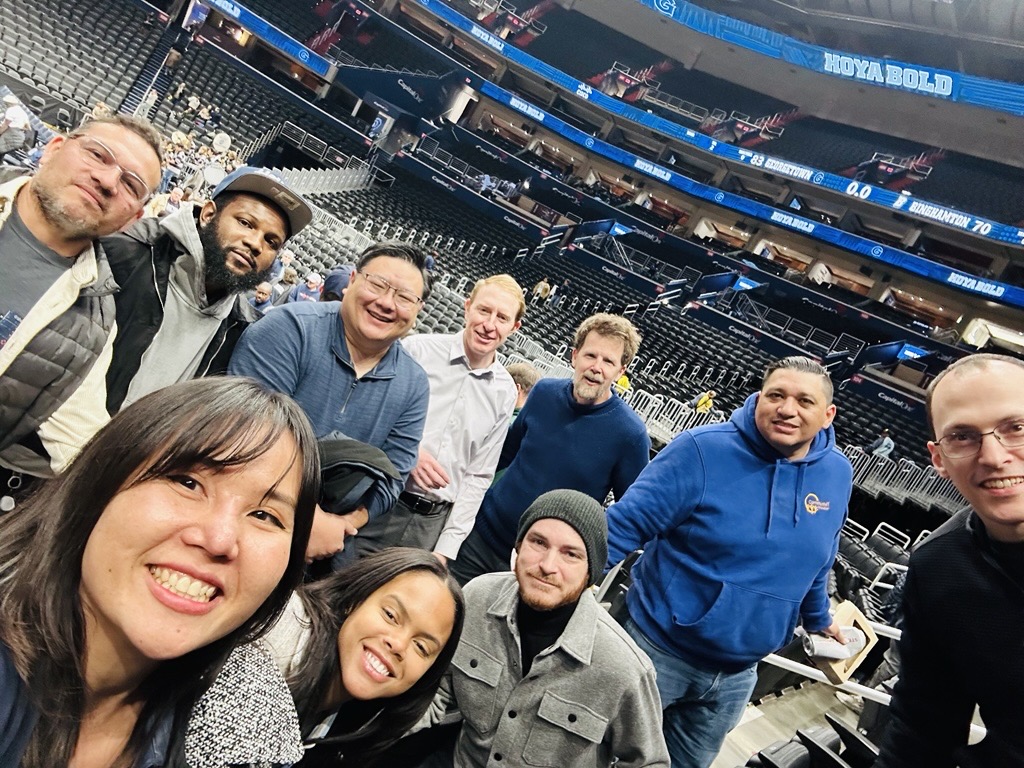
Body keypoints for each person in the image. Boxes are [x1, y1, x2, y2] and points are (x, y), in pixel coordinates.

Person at [0, 376, 321, 767]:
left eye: (264, 515)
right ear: (98, 484)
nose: (219, 540)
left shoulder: (246, 722)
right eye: (188, 482)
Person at [605, 355, 853, 768]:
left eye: (804, 401)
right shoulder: (701, 450)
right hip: (653, 654)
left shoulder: (837, 474)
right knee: (595, 754)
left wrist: (817, 615)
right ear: (758, 399)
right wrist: (564, 594)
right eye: (776, 395)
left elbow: (820, 553)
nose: (787, 409)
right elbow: (623, 526)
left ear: (827, 415)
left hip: (738, 676)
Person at [415, 490, 670, 768]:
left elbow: (649, 762)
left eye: (570, 554)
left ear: (590, 572)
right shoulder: (478, 597)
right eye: (538, 542)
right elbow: (439, 691)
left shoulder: (623, 667)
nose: (548, 566)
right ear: (519, 546)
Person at [229, 241, 431, 564]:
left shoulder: (415, 384)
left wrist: (340, 526)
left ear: (417, 310)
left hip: (329, 547)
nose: (386, 303)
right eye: (377, 284)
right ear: (352, 280)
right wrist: (307, 520)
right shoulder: (290, 328)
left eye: (404, 297)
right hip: (242, 512)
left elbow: (393, 478)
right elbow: (248, 434)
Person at [876, 354, 1024, 767]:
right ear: (938, 458)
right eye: (962, 436)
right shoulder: (938, 566)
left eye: (1017, 428)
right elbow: (923, 727)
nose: (994, 456)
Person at [0, 114, 163, 485]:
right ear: (53, 148)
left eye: (130, 184)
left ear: (132, 218)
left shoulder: (92, 325)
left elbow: (83, 450)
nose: (107, 181)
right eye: (98, 155)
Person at [450, 313, 650, 585]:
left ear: (621, 370)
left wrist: (584, 567)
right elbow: (502, 454)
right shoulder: (543, 392)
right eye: (591, 356)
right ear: (574, 356)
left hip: (542, 569)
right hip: (482, 539)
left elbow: (631, 515)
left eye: (608, 361)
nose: (596, 367)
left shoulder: (630, 434)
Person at [101, 165, 314, 413]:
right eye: (245, 223)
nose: (255, 243)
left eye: (271, 241)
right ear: (208, 215)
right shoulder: (127, 255)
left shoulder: (242, 330)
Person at [353, 275, 524, 563]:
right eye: (484, 310)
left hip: (429, 526)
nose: (489, 325)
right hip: (376, 501)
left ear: (513, 327)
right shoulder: (418, 351)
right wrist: (409, 453)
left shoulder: (504, 391)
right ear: (467, 307)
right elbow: (370, 416)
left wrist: (446, 548)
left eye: (502, 318)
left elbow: (478, 475)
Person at [263, 548, 465, 767]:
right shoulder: (277, 635)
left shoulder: (367, 724)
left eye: (421, 647)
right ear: (355, 598)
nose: (398, 644)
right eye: (390, 615)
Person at [0, 94, 31, 160]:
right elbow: (28, 127)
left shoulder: (11, 110)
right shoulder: (22, 112)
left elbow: (5, 125)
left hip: (11, 136)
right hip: (20, 138)